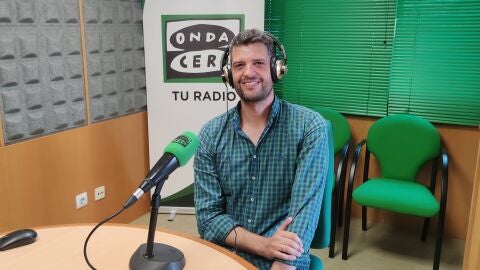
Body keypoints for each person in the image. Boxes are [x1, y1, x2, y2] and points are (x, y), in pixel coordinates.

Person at [194, 29, 330, 270]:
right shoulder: (210, 135)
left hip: (283, 259)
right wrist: (263, 245)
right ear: (228, 74)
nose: (248, 72)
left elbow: (303, 216)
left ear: (276, 69)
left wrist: (281, 262)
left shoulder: (309, 127)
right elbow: (208, 219)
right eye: (239, 65)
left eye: (258, 63)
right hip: (226, 254)